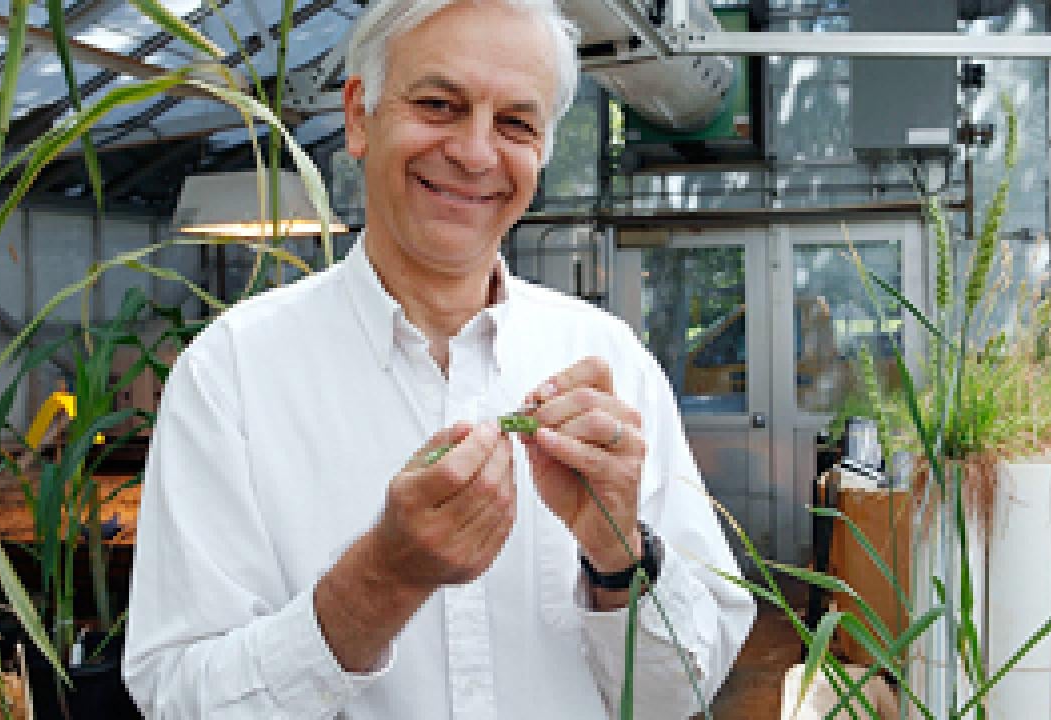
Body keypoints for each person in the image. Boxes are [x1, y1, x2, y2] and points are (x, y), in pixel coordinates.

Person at [122, 0, 755, 717]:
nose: (477, 153)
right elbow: (180, 699)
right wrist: (381, 579)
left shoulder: (608, 361)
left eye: (515, 123)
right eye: (439, 104)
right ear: (360, 116)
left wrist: (620, 560)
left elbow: (680, 695)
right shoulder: (231, 376)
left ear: (543, 150)